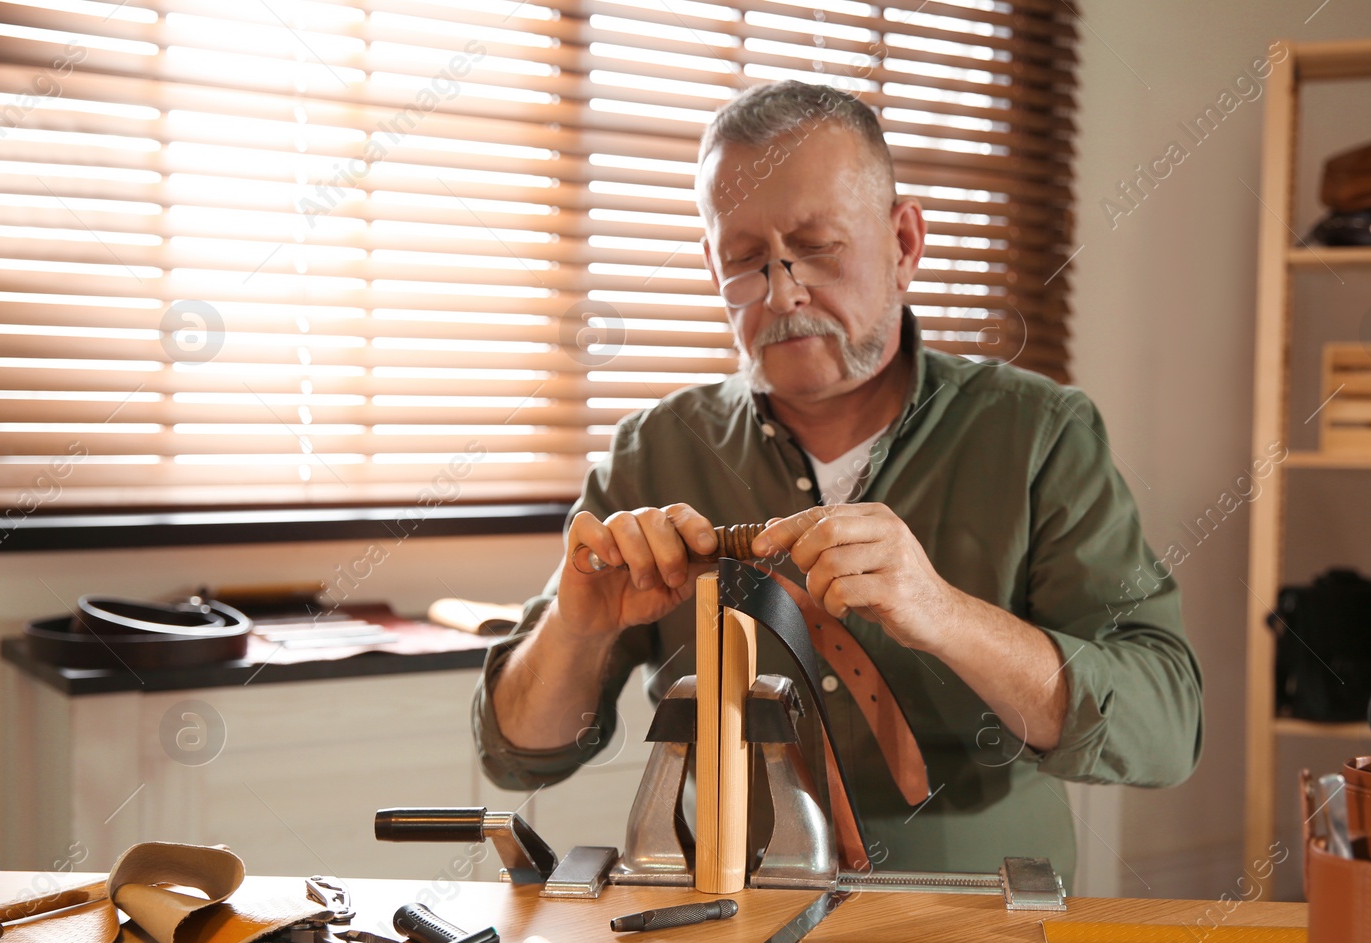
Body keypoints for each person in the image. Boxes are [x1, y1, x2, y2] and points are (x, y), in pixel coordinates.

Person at [473, 81, 1202, 887]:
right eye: (747, 260)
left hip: (986, 934)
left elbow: (1166, 725)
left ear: (905, 241)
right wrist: (576, 631)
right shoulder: (651, 452)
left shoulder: (1040, 434)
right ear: (713, 264)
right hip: (720, 927)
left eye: (817, 247)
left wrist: (943, 613)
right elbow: (516, 756)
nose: (783, 293)